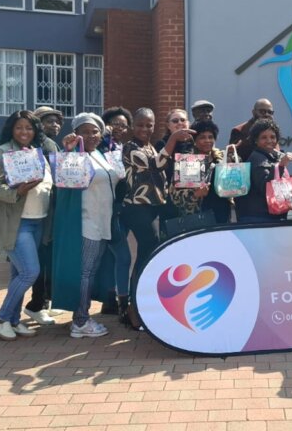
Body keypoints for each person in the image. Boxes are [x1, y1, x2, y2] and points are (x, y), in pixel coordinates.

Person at [0, 111, 54, 340]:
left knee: (18, 273)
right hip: (16, 222)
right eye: (19, 127)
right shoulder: (1, 153)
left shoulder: (37, 153)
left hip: (38, 220)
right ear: (11, 130)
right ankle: (2, 317)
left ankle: (13, 320)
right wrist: (17, 192)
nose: (24, 132)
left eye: (29, 128)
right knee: (30, 272)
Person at [51, 113, 123, 338]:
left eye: (95, 131)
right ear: (76, 134)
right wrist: (69, 151)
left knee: (91, 270)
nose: (91, 135)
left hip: (103, 220)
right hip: (86, 221)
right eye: (85, 131)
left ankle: (82, 315)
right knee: (85, 271)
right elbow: (64, 180)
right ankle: (80, 321)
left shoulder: (101, 154)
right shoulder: (75, 157)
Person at [122, 108, 195, 277]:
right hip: (137, 207)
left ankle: (139, 288)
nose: (144, 129)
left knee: (148, 250)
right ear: (132, 126)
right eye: (140, 125)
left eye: (149, 125)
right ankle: (136, 289)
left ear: (154, 126)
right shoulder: (130, 148)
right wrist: (174, 138)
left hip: (153, 207)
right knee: (149, 248)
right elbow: (156, 164)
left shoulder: (149, 147)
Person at [23, 106, 63, 326]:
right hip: (43, 212)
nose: (54, 125)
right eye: (49, 121)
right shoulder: (45, 145)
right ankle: (37, 304)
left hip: (43, 209)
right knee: (42, 259)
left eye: (57, 121)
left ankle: (43, 301)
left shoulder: (47, 144)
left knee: (45, 258)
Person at [98, 106, 133, 324]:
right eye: (114, 124)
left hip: (123, 207)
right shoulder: (99, 147)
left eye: (123, 125)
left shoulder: (123, 148)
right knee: (123, 256)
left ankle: (109, 299)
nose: (119, 128)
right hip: (107, 209)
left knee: (112, 256)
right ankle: (123, 304)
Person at [170, 120, 232, 223]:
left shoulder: (220, 159)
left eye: (210, 137)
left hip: (222, 216)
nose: (207, 140)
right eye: (202, 137)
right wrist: (196, 195)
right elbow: (175, 197)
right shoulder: (187, 162)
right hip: (198, 218)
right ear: (194, 140)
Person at [234, 119, 292, 223]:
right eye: (264, 137)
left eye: (272, 137)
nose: (269, 141)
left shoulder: (273, 156)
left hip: (268, 216)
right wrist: (281, 165)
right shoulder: (257, 159)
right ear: (256, 140)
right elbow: (266, 187)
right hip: (258, 219)